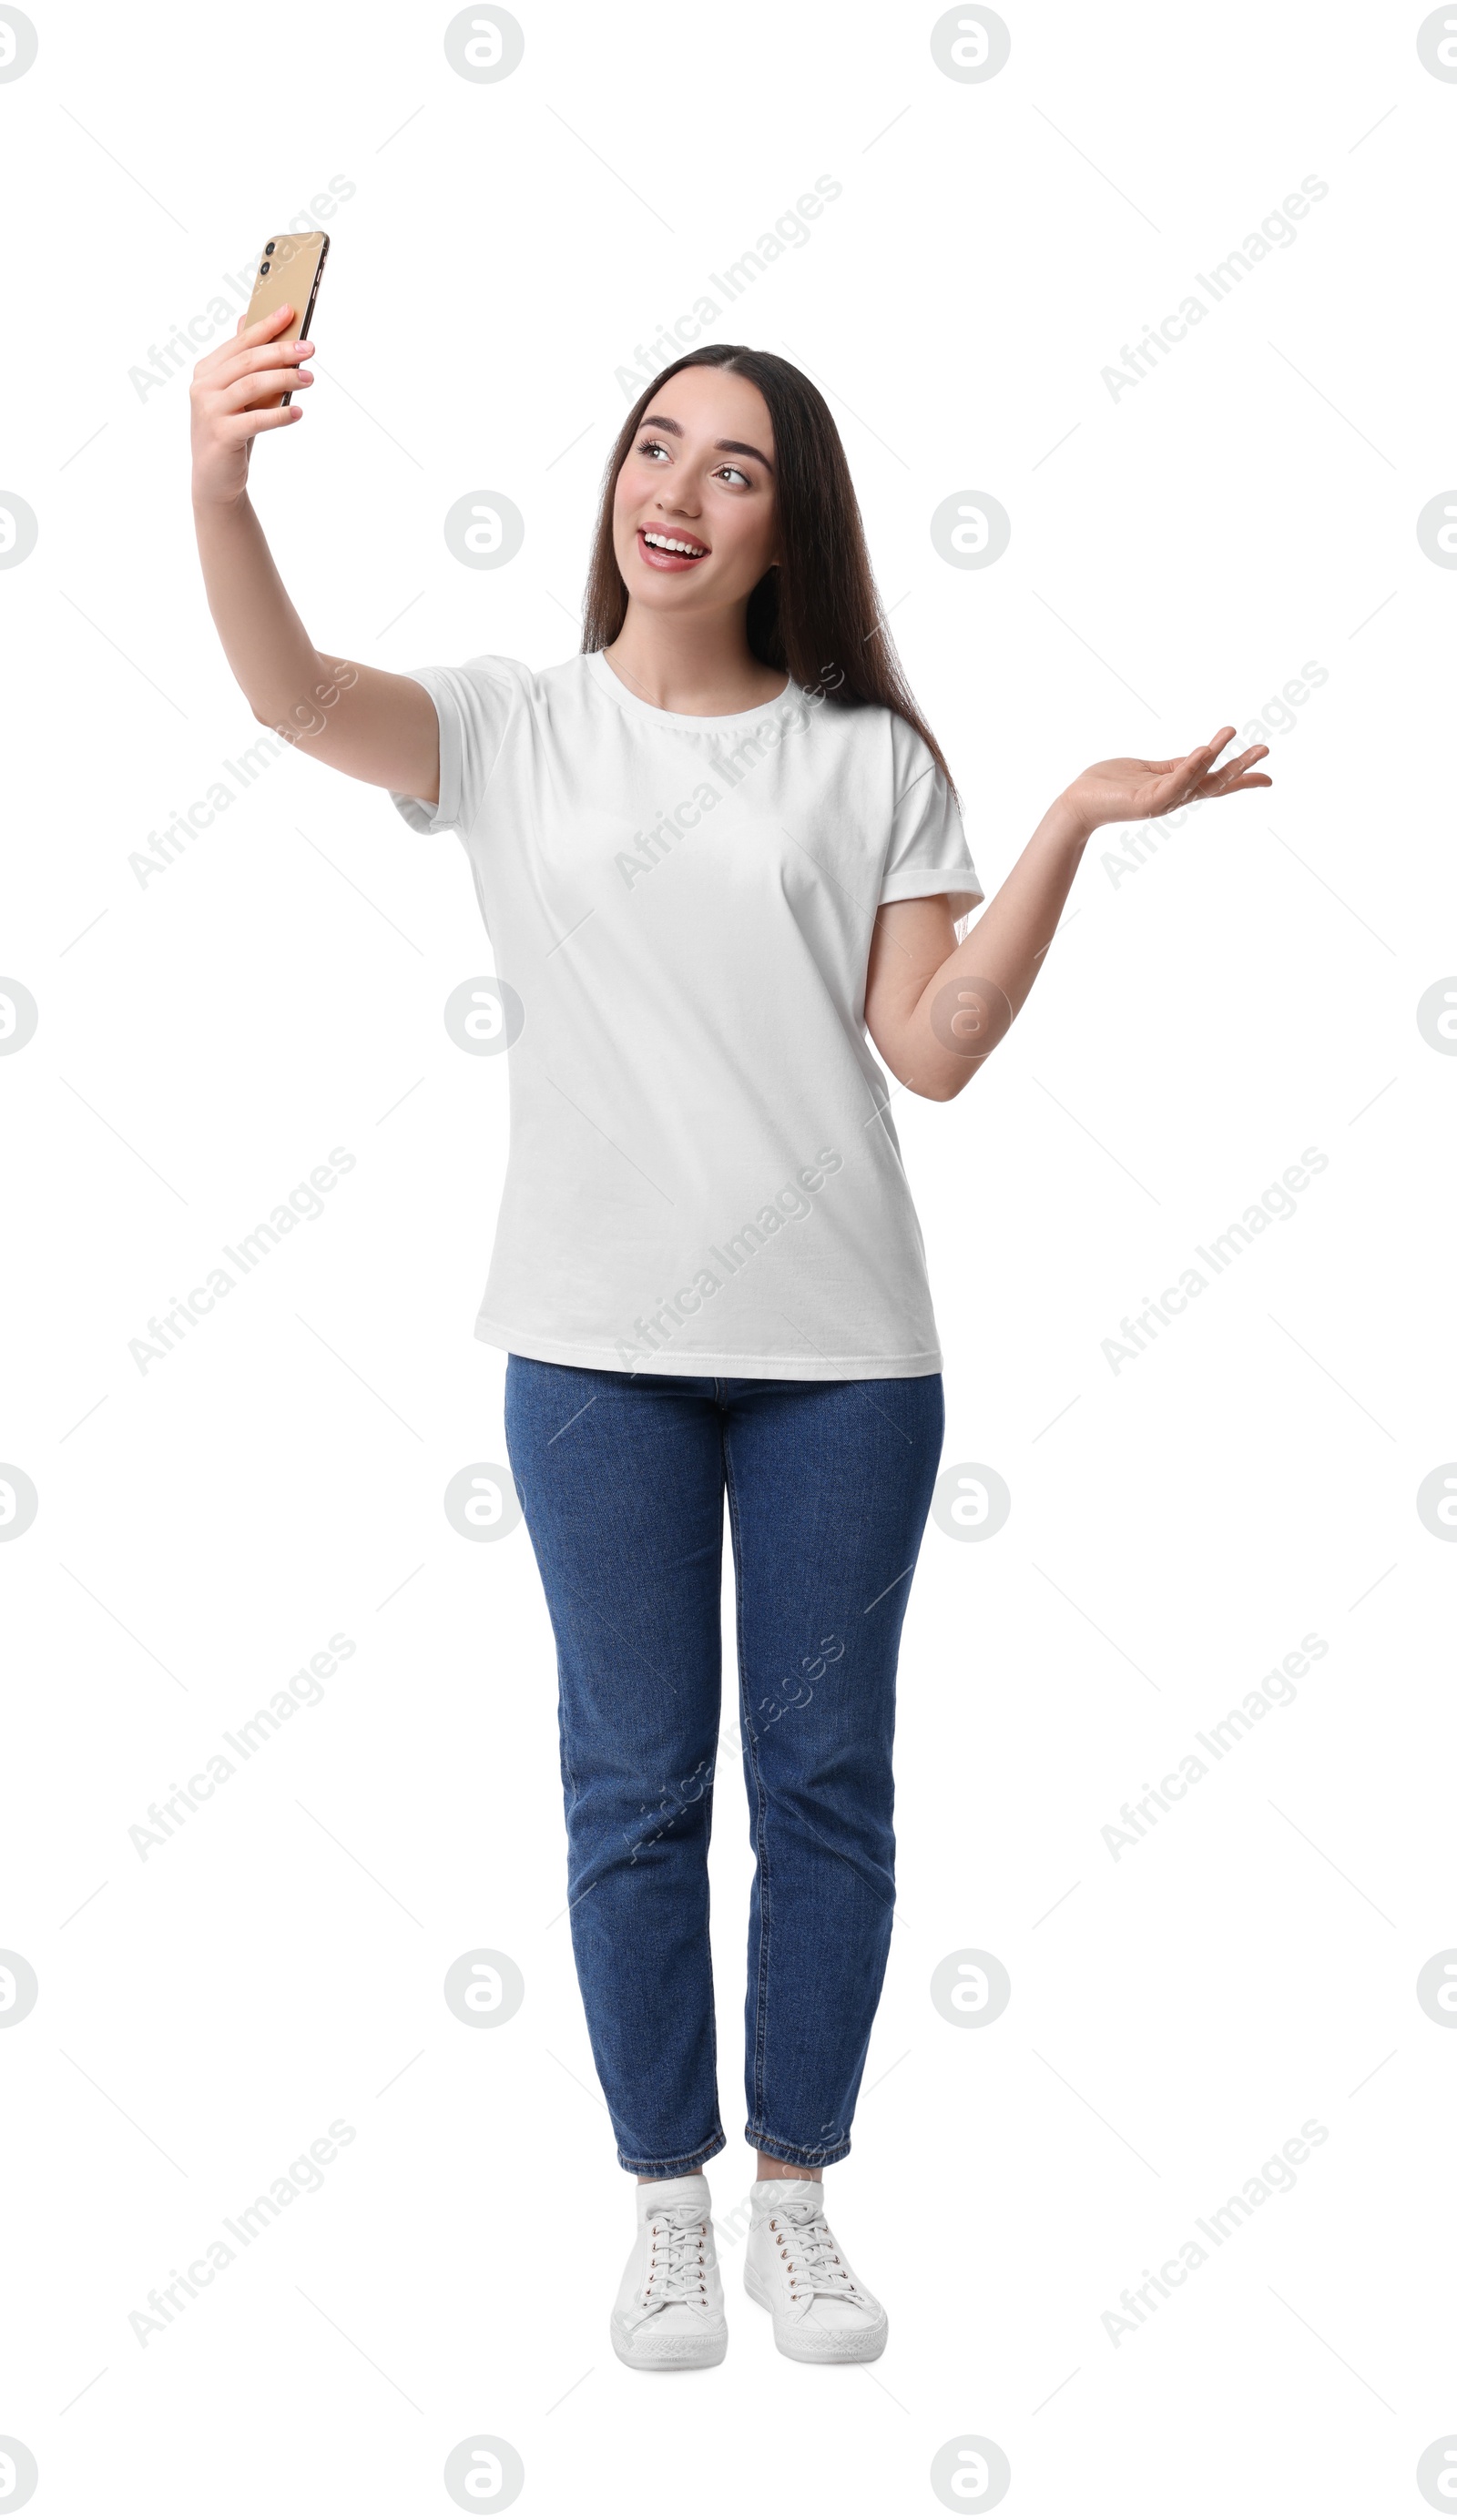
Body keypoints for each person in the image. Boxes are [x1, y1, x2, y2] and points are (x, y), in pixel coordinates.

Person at [188, 307, 1271, 2372]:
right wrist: (221, 487)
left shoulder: (863, 760)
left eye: (734, 469)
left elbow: (933, 1053)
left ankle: (798, 2195)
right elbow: (290, 690)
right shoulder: (512, 728)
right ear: (614, 485)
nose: (676, 493)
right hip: (590, 1349)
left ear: (790, 530)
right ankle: (662, 2203)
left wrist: (1060, 825)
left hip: (841, 1357)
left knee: (825, 1781)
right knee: (631, 1784)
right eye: (654, 450)